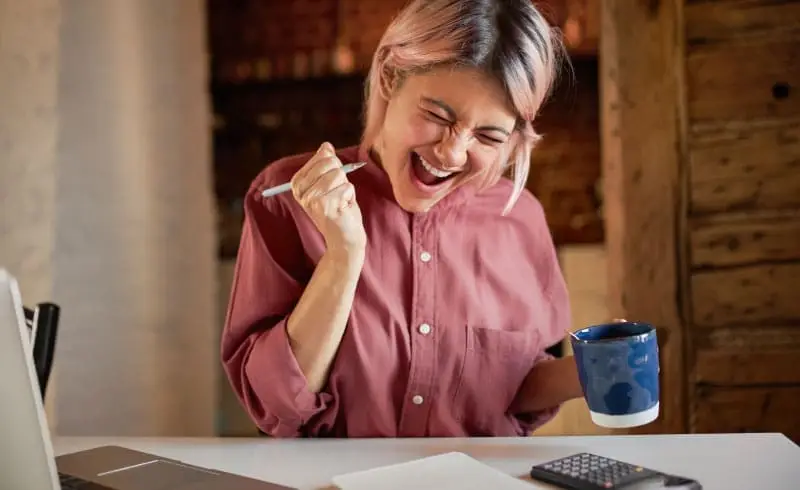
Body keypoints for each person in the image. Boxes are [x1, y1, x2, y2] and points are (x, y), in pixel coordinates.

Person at [221, 0, 584, 438]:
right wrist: (344, 256)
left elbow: (509, 389)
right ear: (391, 78)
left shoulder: (521, 218)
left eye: (488, 136)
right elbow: (274, 404)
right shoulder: (288, 197)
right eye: (436, 115)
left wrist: (591, 372)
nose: (451, 153)